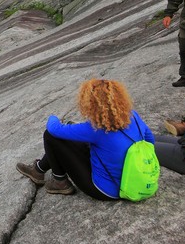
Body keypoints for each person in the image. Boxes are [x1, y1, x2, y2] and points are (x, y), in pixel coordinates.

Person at [16, 79, 155, 199]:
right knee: (72, 135)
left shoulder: (95, 129)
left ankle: (59, 181)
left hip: (107, 191)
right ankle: (39, 169)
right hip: (136, 179)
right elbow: (150, 140)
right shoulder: (133, 116)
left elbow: (54, 129)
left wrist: (54, 117)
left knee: (51, 136)